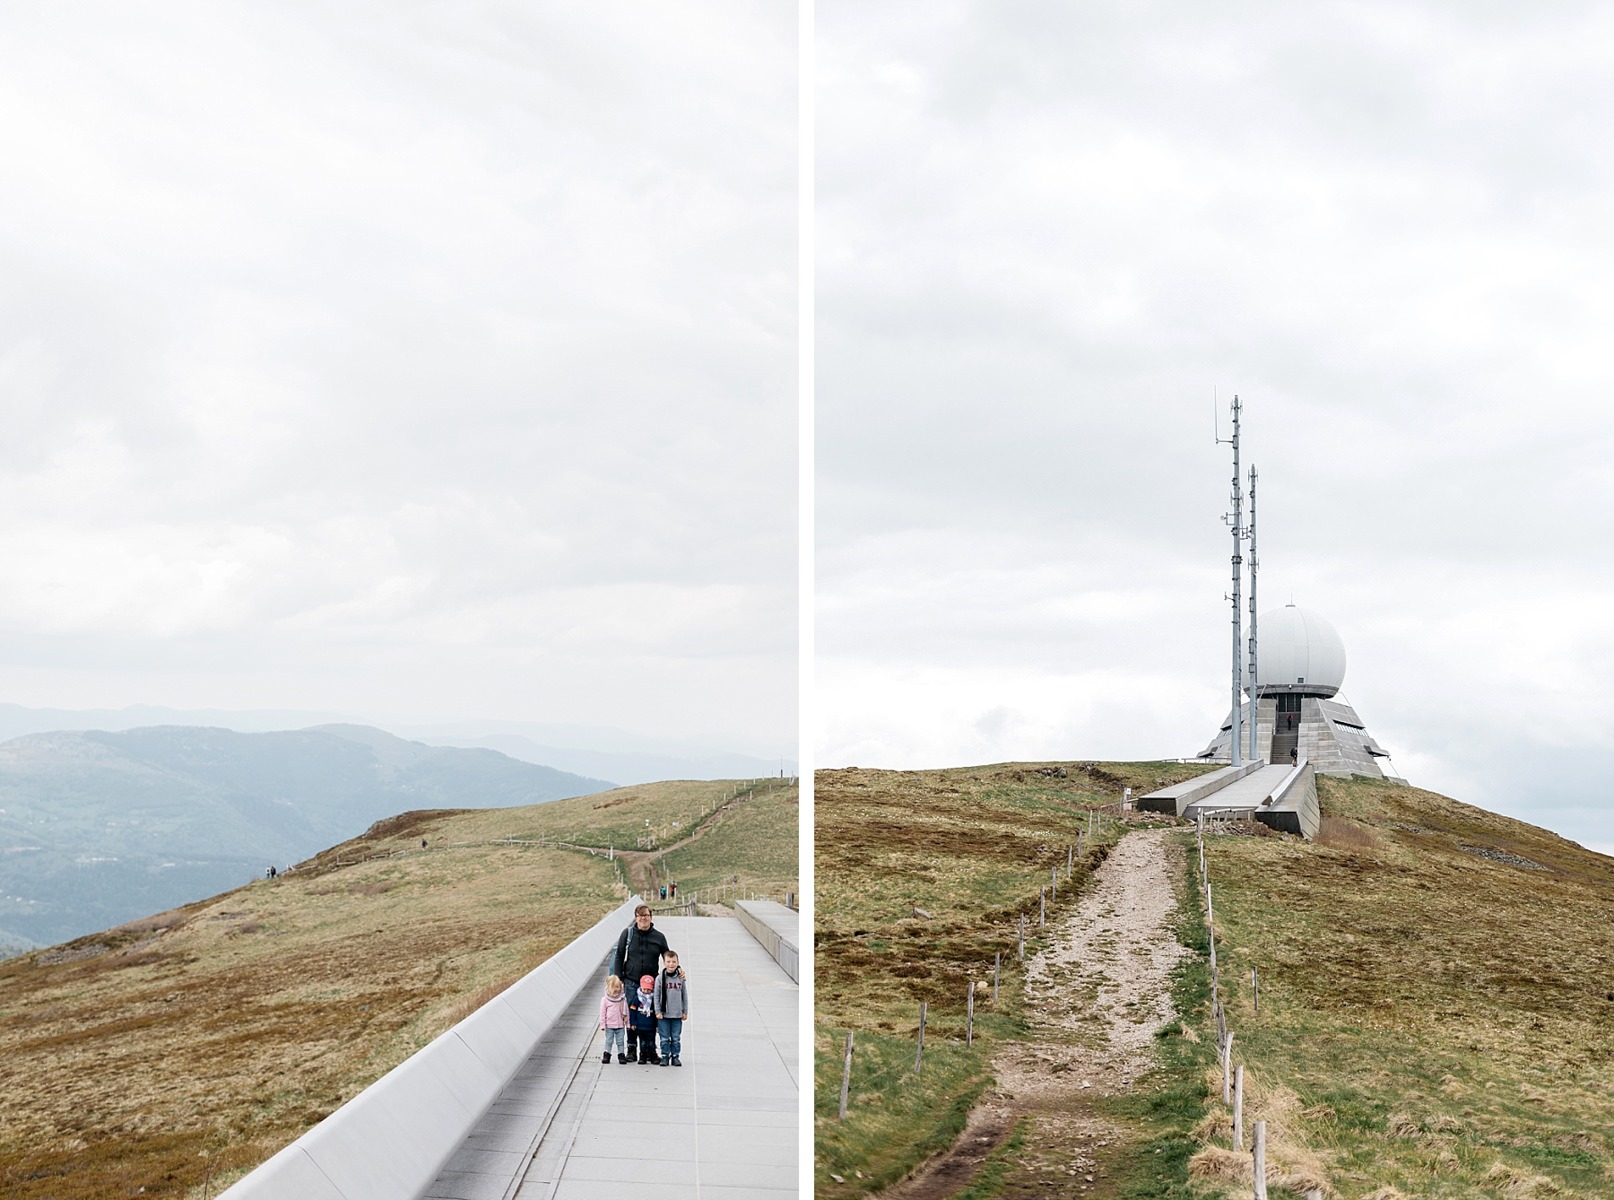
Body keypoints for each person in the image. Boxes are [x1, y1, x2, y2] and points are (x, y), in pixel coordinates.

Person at [610, 903, 671, 1035]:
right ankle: (631, 1049)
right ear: (636, 918)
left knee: (650, 1017)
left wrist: (676, 971)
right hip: (631, 982)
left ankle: (649, 1050)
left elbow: (667, 957)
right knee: (632, 1017)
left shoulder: (659, 937)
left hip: (651, 984)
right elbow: (619, 955)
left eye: (646, 915)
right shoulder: (627, 934)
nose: (643, 918)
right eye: (640, 915)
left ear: (651, 917)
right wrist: (618, 977)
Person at [654, 951, 690, 1066]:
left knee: (675, 1038)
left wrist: (685, 1011)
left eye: (674, 962)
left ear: (678, 963)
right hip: (664, 1015)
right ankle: (665, 1056)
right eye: (668, 962)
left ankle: (675, 1056)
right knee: (664, 1038)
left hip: (677, 1014)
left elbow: (684, 995)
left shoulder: (680, 978)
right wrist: (658, 1011)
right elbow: (656, 996)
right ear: (664, 963)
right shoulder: (660, 978)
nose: (671, 964)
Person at [629, 974, 660, 1064]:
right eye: (644, 989)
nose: (646, 991)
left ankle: (652, 1055)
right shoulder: (637, 999)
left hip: (651, 1027)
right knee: (642, 1042)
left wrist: (657, 1025)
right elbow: (633, 1011)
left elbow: (656, 1013)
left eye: (649, 989)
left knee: (651, 1042)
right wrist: (633, 1023)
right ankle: (642, 1056)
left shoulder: (654, 999)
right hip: (640, 1026)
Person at [599, 975, 629, 1064]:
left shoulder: (622, 999)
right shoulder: (605, 1000)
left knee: (620, 1041)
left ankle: (621, 1054)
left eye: (617, 987)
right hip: (609, 1025)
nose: (616, 989)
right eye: (613, 987)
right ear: (608, 988)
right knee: (609, 1040)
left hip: (620, 1025)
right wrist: (602, 1024)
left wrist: (628, 1024)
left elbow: (626, 1012)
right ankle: (607, 1054)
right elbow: (602, 1013)